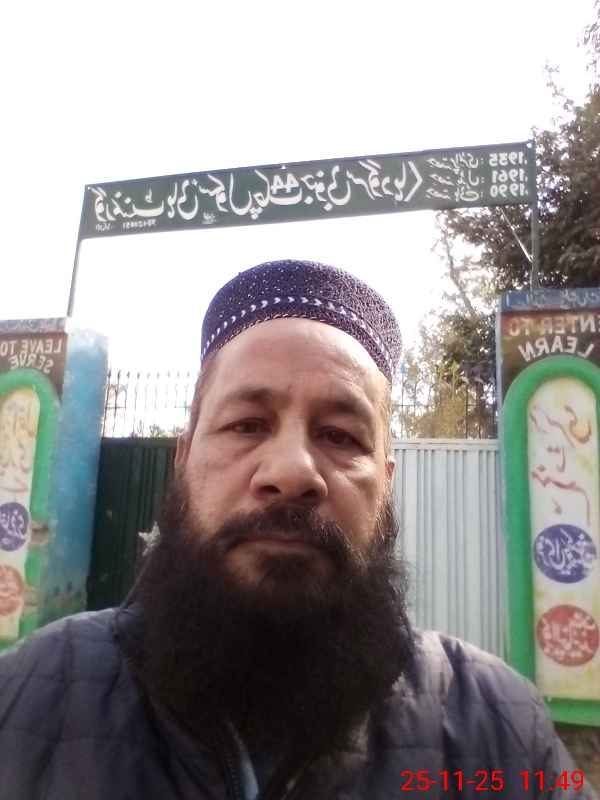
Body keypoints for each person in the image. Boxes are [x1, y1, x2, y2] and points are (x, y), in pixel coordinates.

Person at [0, 259, 595, 800]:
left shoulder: (498, 729)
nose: (291, 473)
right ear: (183, 460)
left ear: (385, 485)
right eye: (246, 424)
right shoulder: (29, 696)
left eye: (340, 435)